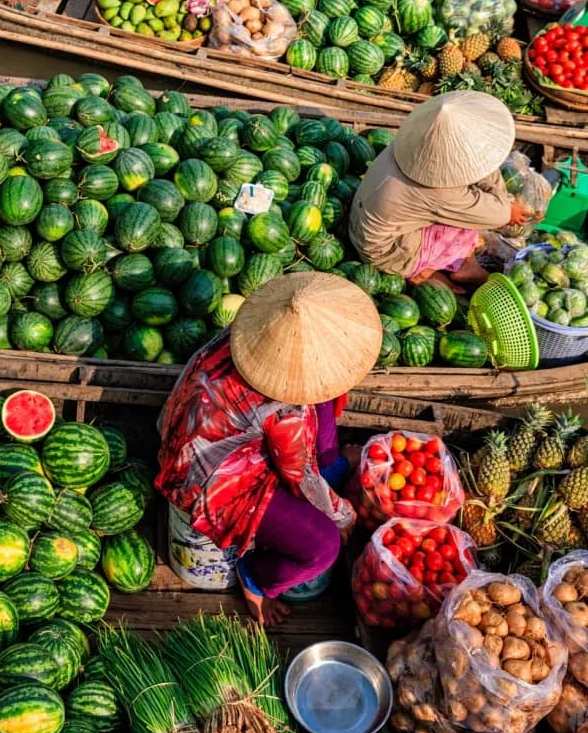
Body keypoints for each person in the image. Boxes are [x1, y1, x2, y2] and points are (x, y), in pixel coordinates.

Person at [155, 272, 383, 626]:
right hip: (212, 480)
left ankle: (332, 463)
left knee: (325, 403)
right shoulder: (286, 411)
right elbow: (302, 477)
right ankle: (256, 579)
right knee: (323, 547)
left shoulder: (250, 337)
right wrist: (343, 514)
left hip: (219, 437)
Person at [349, 93, 529, 289]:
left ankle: (457, 264)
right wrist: (510, 210)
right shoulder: (438, 192)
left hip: (364, 223)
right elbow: (498, 214)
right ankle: (423, 273)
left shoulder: (413, 144)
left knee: (467, 205)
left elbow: (473, 166)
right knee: (469, 215)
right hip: (386, 253)